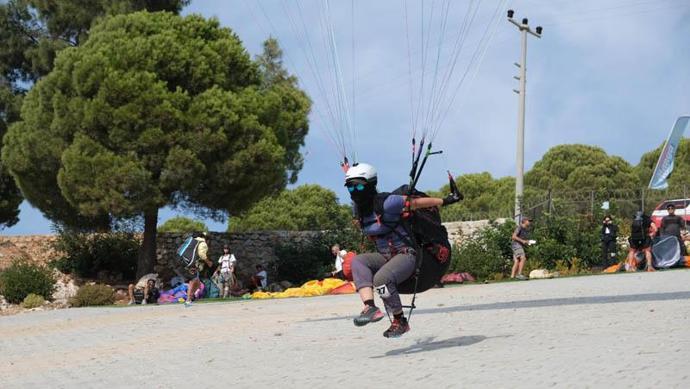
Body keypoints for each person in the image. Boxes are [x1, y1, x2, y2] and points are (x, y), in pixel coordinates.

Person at [346, 163, 461, 338]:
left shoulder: (387, 202)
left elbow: (416, 203)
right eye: (351, 186)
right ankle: (370, 307)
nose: (355, 190)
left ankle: (400, 321)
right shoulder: (360, 209)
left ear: (370, 184)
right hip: (386, 256)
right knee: (358, 261)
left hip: (406, 254)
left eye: (360, 185)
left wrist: (446, 200)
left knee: (381, 279)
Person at [185, 232, 213, 306]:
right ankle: (188, 299)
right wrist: (208, 262)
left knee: (196, 282)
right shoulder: (203, 243)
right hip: (190, 263)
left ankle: (190, 297)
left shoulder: (193, 241)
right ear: (207, 239)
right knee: (194, 280)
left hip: (184, 260)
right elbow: (201, 254)